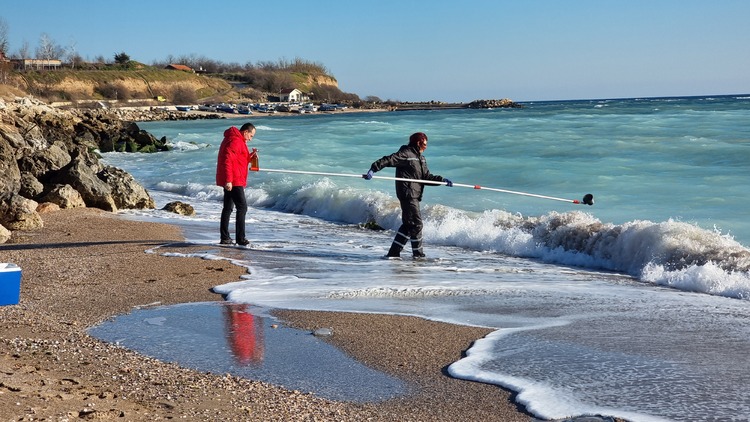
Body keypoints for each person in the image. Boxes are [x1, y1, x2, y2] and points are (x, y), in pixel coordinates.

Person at [363, 132, 452, 259]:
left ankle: (393, 253)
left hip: (415, 195)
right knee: (417, 224)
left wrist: (442, 180)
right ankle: (418, 255)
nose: (426, 147)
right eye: (424, 144)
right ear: (418, 143)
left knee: (408, 225)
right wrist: (373, 169)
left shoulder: (421, 158)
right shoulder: (406, 154)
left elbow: (426, 177)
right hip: (407, 194)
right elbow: (388, 159)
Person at [216, 122, 257, 245]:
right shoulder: (235, 141)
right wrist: (228, 180)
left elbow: (239, 159)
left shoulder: (237, 140)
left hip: (234, 178)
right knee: (242, 207)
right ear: (246, 132)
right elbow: (227, 160)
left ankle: (225, 237)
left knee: (228, 208)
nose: (251, 138)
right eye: (251, 135)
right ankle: (240, 238)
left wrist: (251, 156)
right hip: (234, 180)